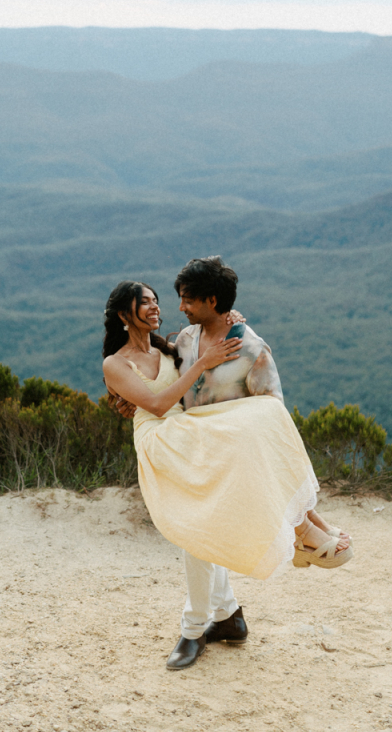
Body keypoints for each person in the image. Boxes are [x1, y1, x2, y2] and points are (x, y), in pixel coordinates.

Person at [102, 262, 351, 672]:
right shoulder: (118, 362)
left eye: (157, 301)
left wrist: (226, 320)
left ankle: (223, 617)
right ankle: (205, 622)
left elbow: (204, 341)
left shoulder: (171, 345)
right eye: (144, 302)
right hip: (163, 440)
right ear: (122, 313)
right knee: (199, 528)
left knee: (253, 435)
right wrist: (206, 360)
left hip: (191, 431)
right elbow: (161, 405)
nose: (159, 307)